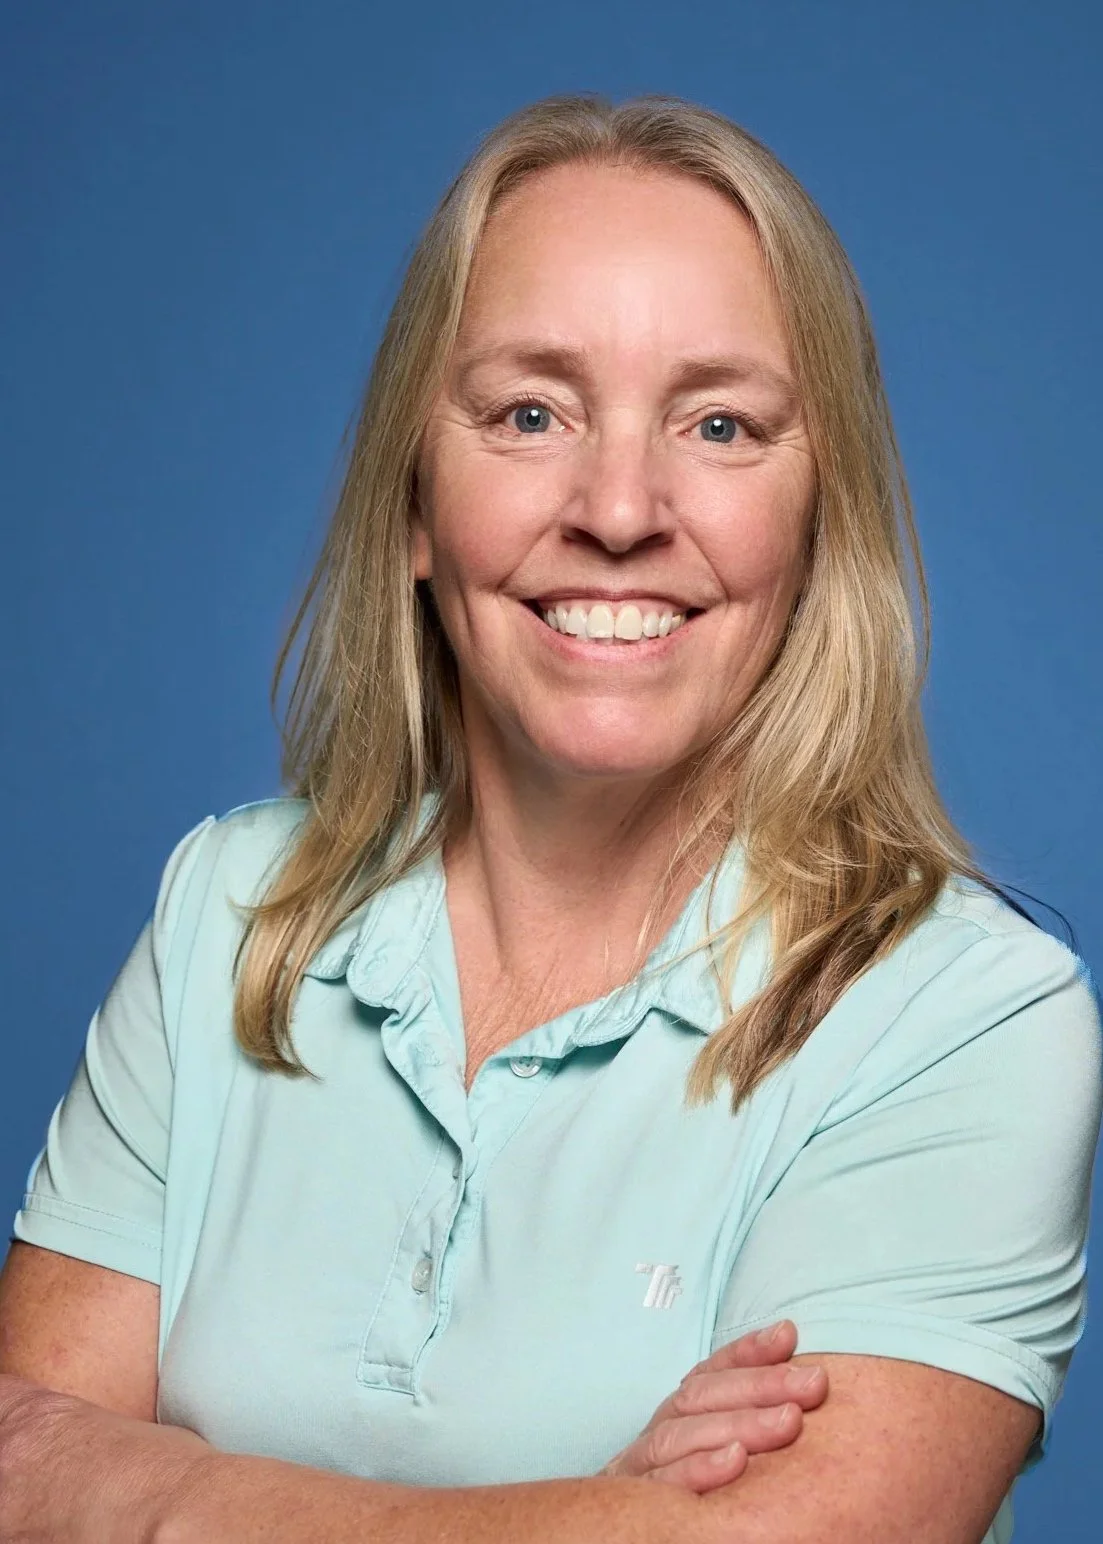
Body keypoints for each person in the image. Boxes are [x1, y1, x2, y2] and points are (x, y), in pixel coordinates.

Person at [0, 92, 1099, 1544]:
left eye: (719, 423)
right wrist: (591, 1514)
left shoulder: (965, 1018)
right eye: (530, 413)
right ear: (414, 500)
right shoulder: (230, 916)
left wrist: (153, 1493)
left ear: (816, 522)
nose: (621, 509)